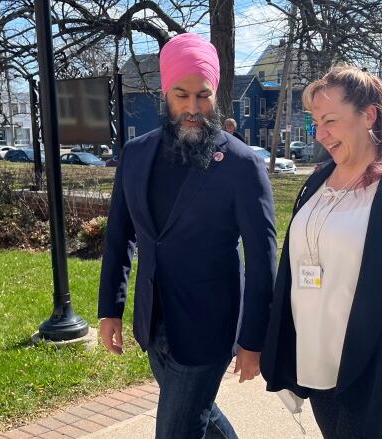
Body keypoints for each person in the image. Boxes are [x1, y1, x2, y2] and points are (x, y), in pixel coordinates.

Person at [260, 65, 382, 439]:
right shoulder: (318, 180)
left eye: (331, 120)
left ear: (369, 116)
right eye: (316, 122)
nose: (321, 134)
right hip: (318, 360)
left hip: (375, 369)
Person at [98, 32, 277, 439]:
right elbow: (119, 234)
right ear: (166, 93)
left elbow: (263, 257)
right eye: (182, 95)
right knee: (200, 413)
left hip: (208, 327)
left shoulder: (241, 165)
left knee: (177, 428)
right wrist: (111, 307)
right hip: (153, 320)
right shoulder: (136, 154)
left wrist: (254, 340)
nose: (193, 108)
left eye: (203, 96)